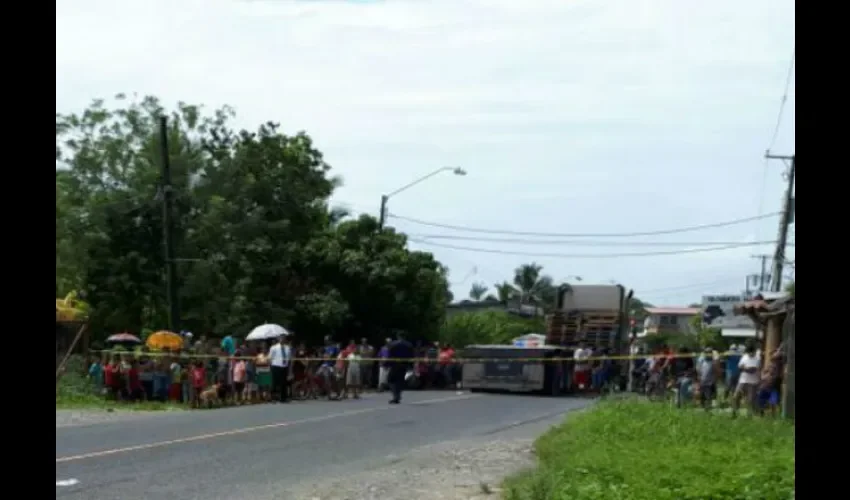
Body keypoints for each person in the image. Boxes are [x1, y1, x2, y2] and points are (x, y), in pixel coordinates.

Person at [732, 341, 761, 417]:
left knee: (750, 400)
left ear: (754, 351)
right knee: (736, 396)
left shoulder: (757, 358)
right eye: (749, 352)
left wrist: (745, 368)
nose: (751, 354)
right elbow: (740, 367)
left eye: (752, 352)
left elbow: (753, 370)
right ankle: (735, 412)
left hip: (752, 382)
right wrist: (746, 368)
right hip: (743, 380)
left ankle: (749, 415)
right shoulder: (744, 357)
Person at [387, 333, 414, 404]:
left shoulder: (393, 344)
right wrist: (410, 366)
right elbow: (412, 356)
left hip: (395, 364)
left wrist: (387, 364)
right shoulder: (409, 345)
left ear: (398, 336)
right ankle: (397, 396)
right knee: (400, 381)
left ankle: (396, 396)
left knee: (391, 380)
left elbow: (389, 355)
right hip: (404, 364)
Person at [269, 335, 291, 403]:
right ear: (278, 339)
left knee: (284, 382)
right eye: (281, 338)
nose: (282, 339)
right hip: (276, 366)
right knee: (275, 382)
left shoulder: (288, 348)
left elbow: (289, 358)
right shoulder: (274, 347)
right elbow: (270, 357)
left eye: (283, 338)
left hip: (284, 366)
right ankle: (273, 397)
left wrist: (289, 368)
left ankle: (283, 398)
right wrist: (271, 367)